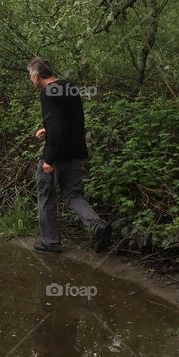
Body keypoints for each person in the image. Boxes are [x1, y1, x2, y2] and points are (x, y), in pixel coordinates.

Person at [28, 57, 111, 254]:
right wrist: (46, 129)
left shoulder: (47, 93)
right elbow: (69, 122)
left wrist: (49, 159)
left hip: (57, 155)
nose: (31, 80)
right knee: (73, 195)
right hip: (75, 152)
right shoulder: (70, 87)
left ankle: (51, 242)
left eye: (31, 76)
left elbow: (58, 126)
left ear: (37, 75)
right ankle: (98, 225)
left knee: (46, 197)